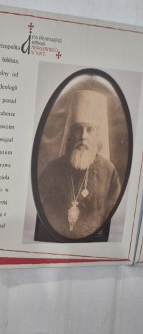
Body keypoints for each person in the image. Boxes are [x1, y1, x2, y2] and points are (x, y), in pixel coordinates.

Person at [34, 89, 121, 242]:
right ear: (70, 134)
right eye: (78, 129)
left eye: (89, 129)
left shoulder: (109, 171)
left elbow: (112, 217)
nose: (83, 136)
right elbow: (40, 214)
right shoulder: (52, 170)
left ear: (97, 135)